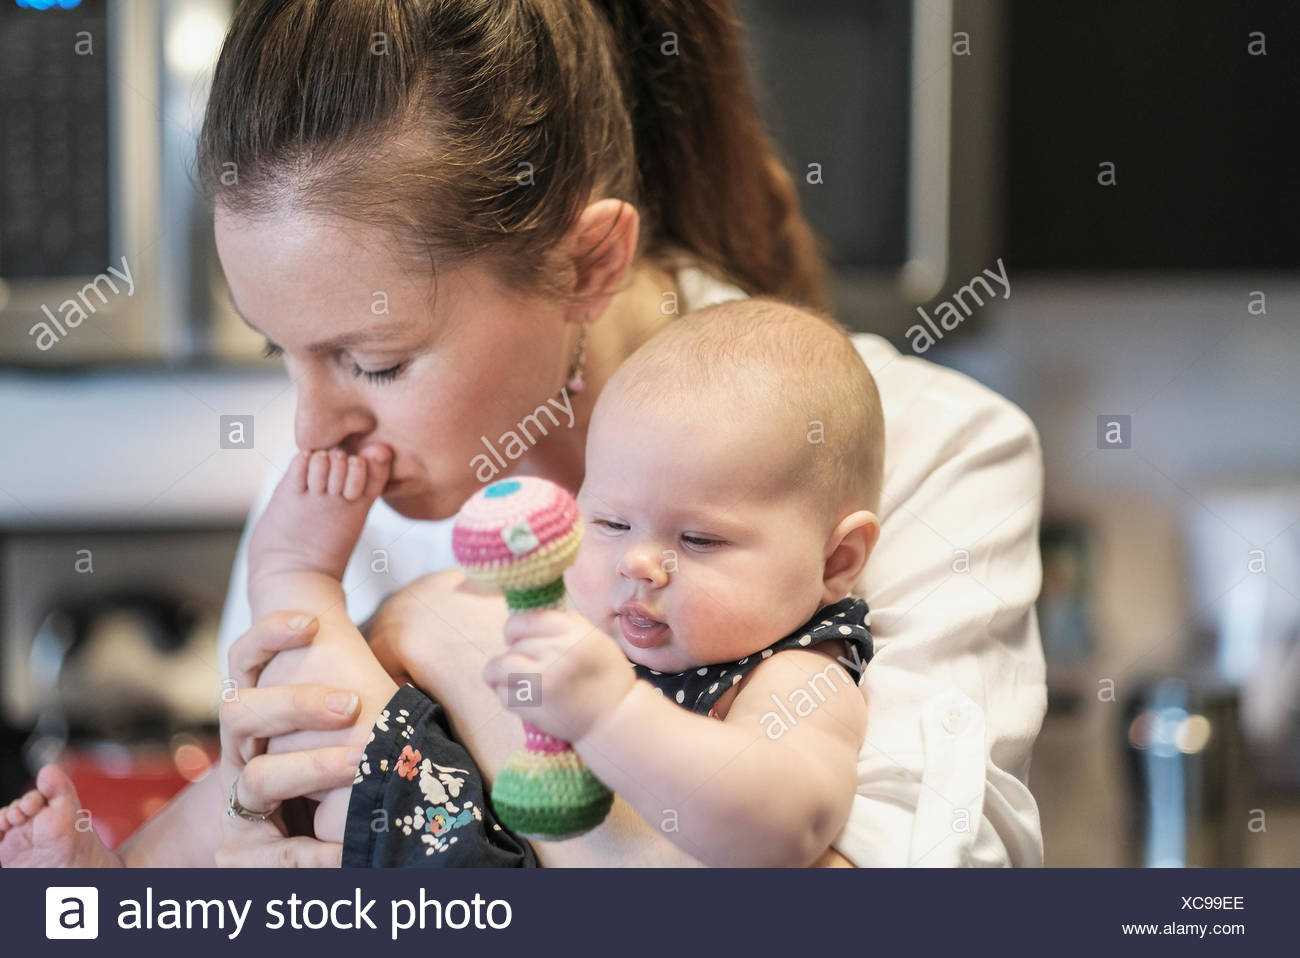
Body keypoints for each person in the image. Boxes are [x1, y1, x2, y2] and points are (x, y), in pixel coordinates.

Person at [0, 0, 1046, 868]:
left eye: (376, 361)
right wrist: (243, 827)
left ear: (589, 261)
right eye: (279, 349)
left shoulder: (929, 451)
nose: (312, 426)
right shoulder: (328, 506)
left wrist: (455, 650)